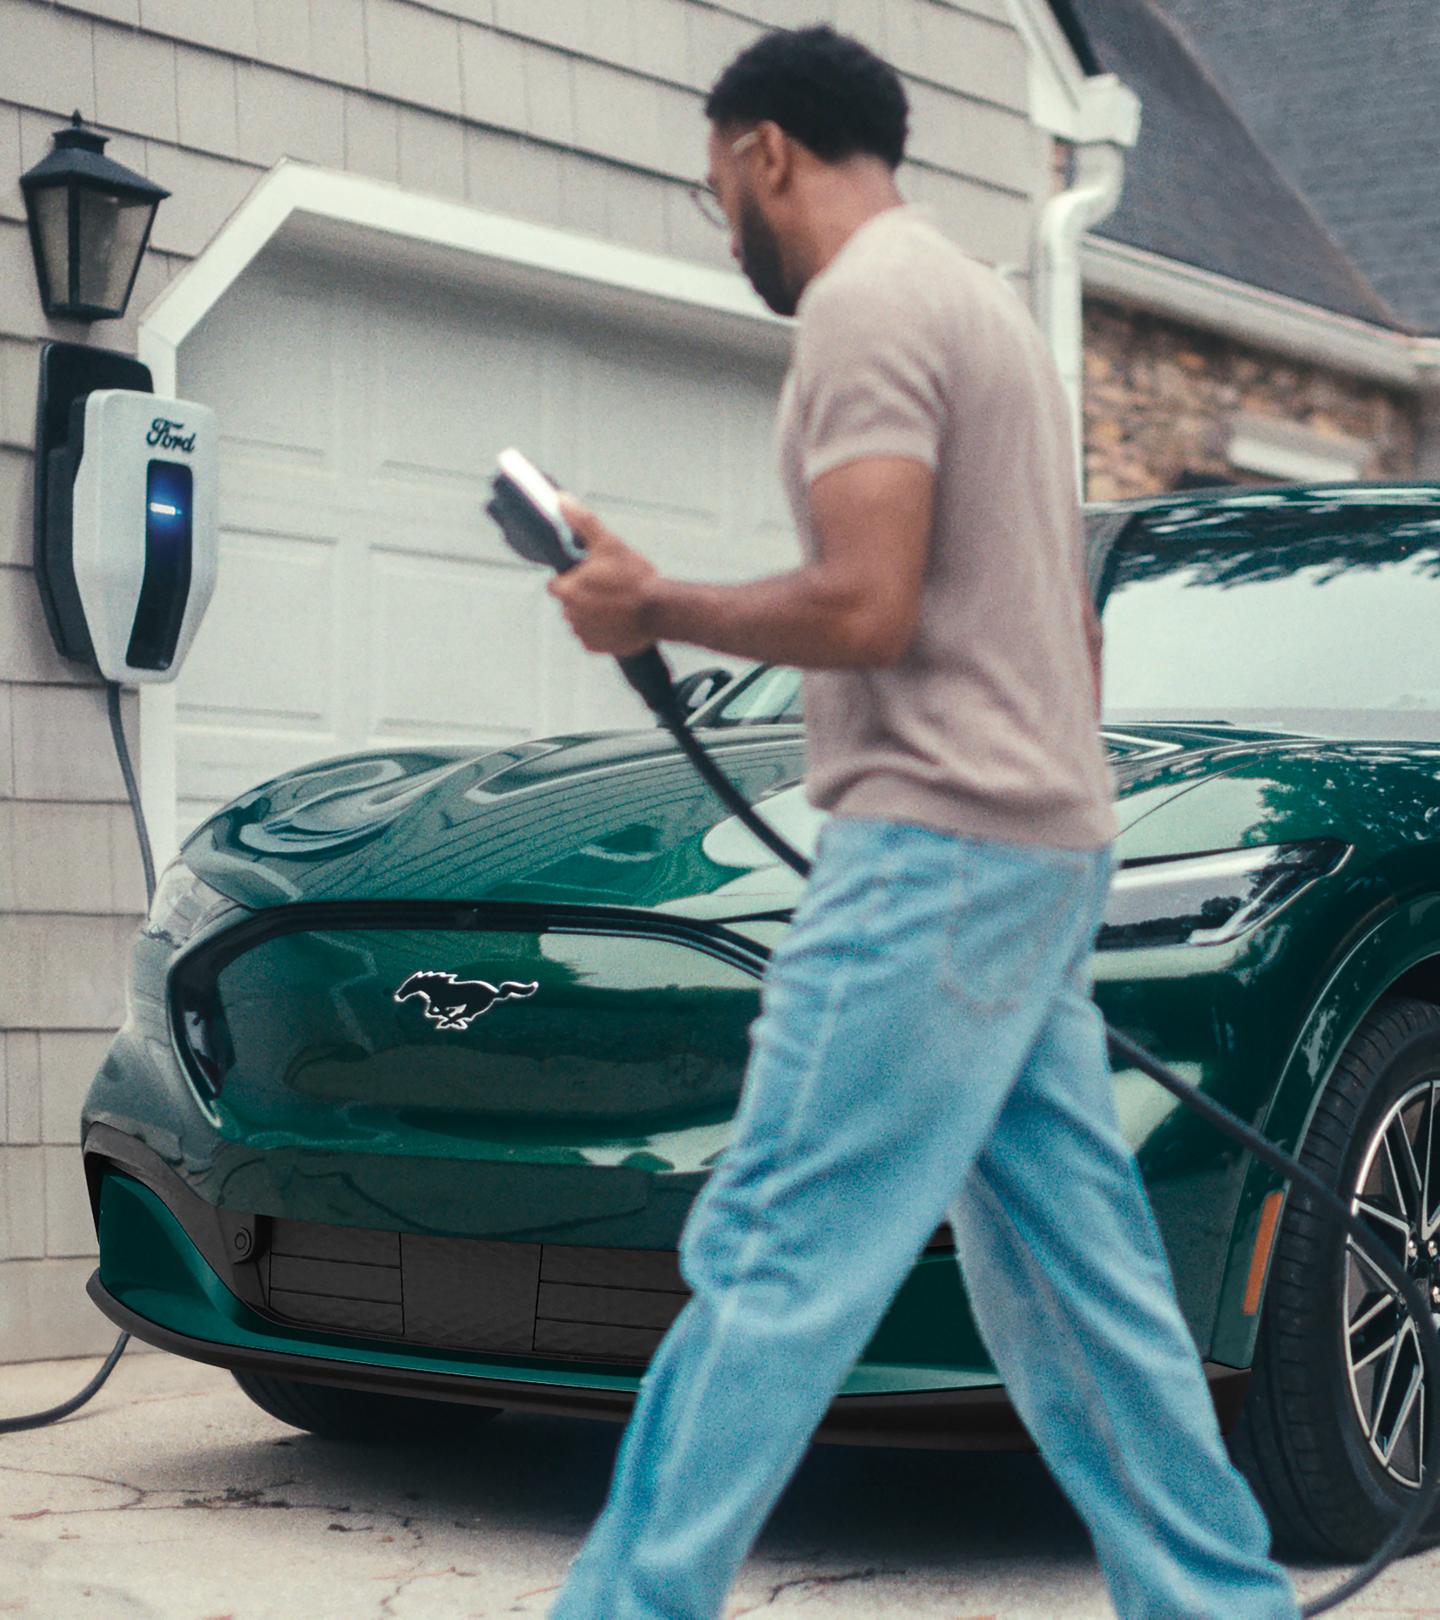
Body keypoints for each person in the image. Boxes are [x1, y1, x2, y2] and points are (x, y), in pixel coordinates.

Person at [544, 25, 1299, 1620]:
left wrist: (647, 600)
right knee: (1075, 1287)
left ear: (762, 154)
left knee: (776, 1241)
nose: (724, 219)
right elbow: (1064, 627)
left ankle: (625, 1605)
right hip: (1031, 839)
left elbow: (869, 603)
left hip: (941, 853)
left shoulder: (865, 310)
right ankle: (1217, 1602)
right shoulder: (987, 310)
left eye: (712, 187)